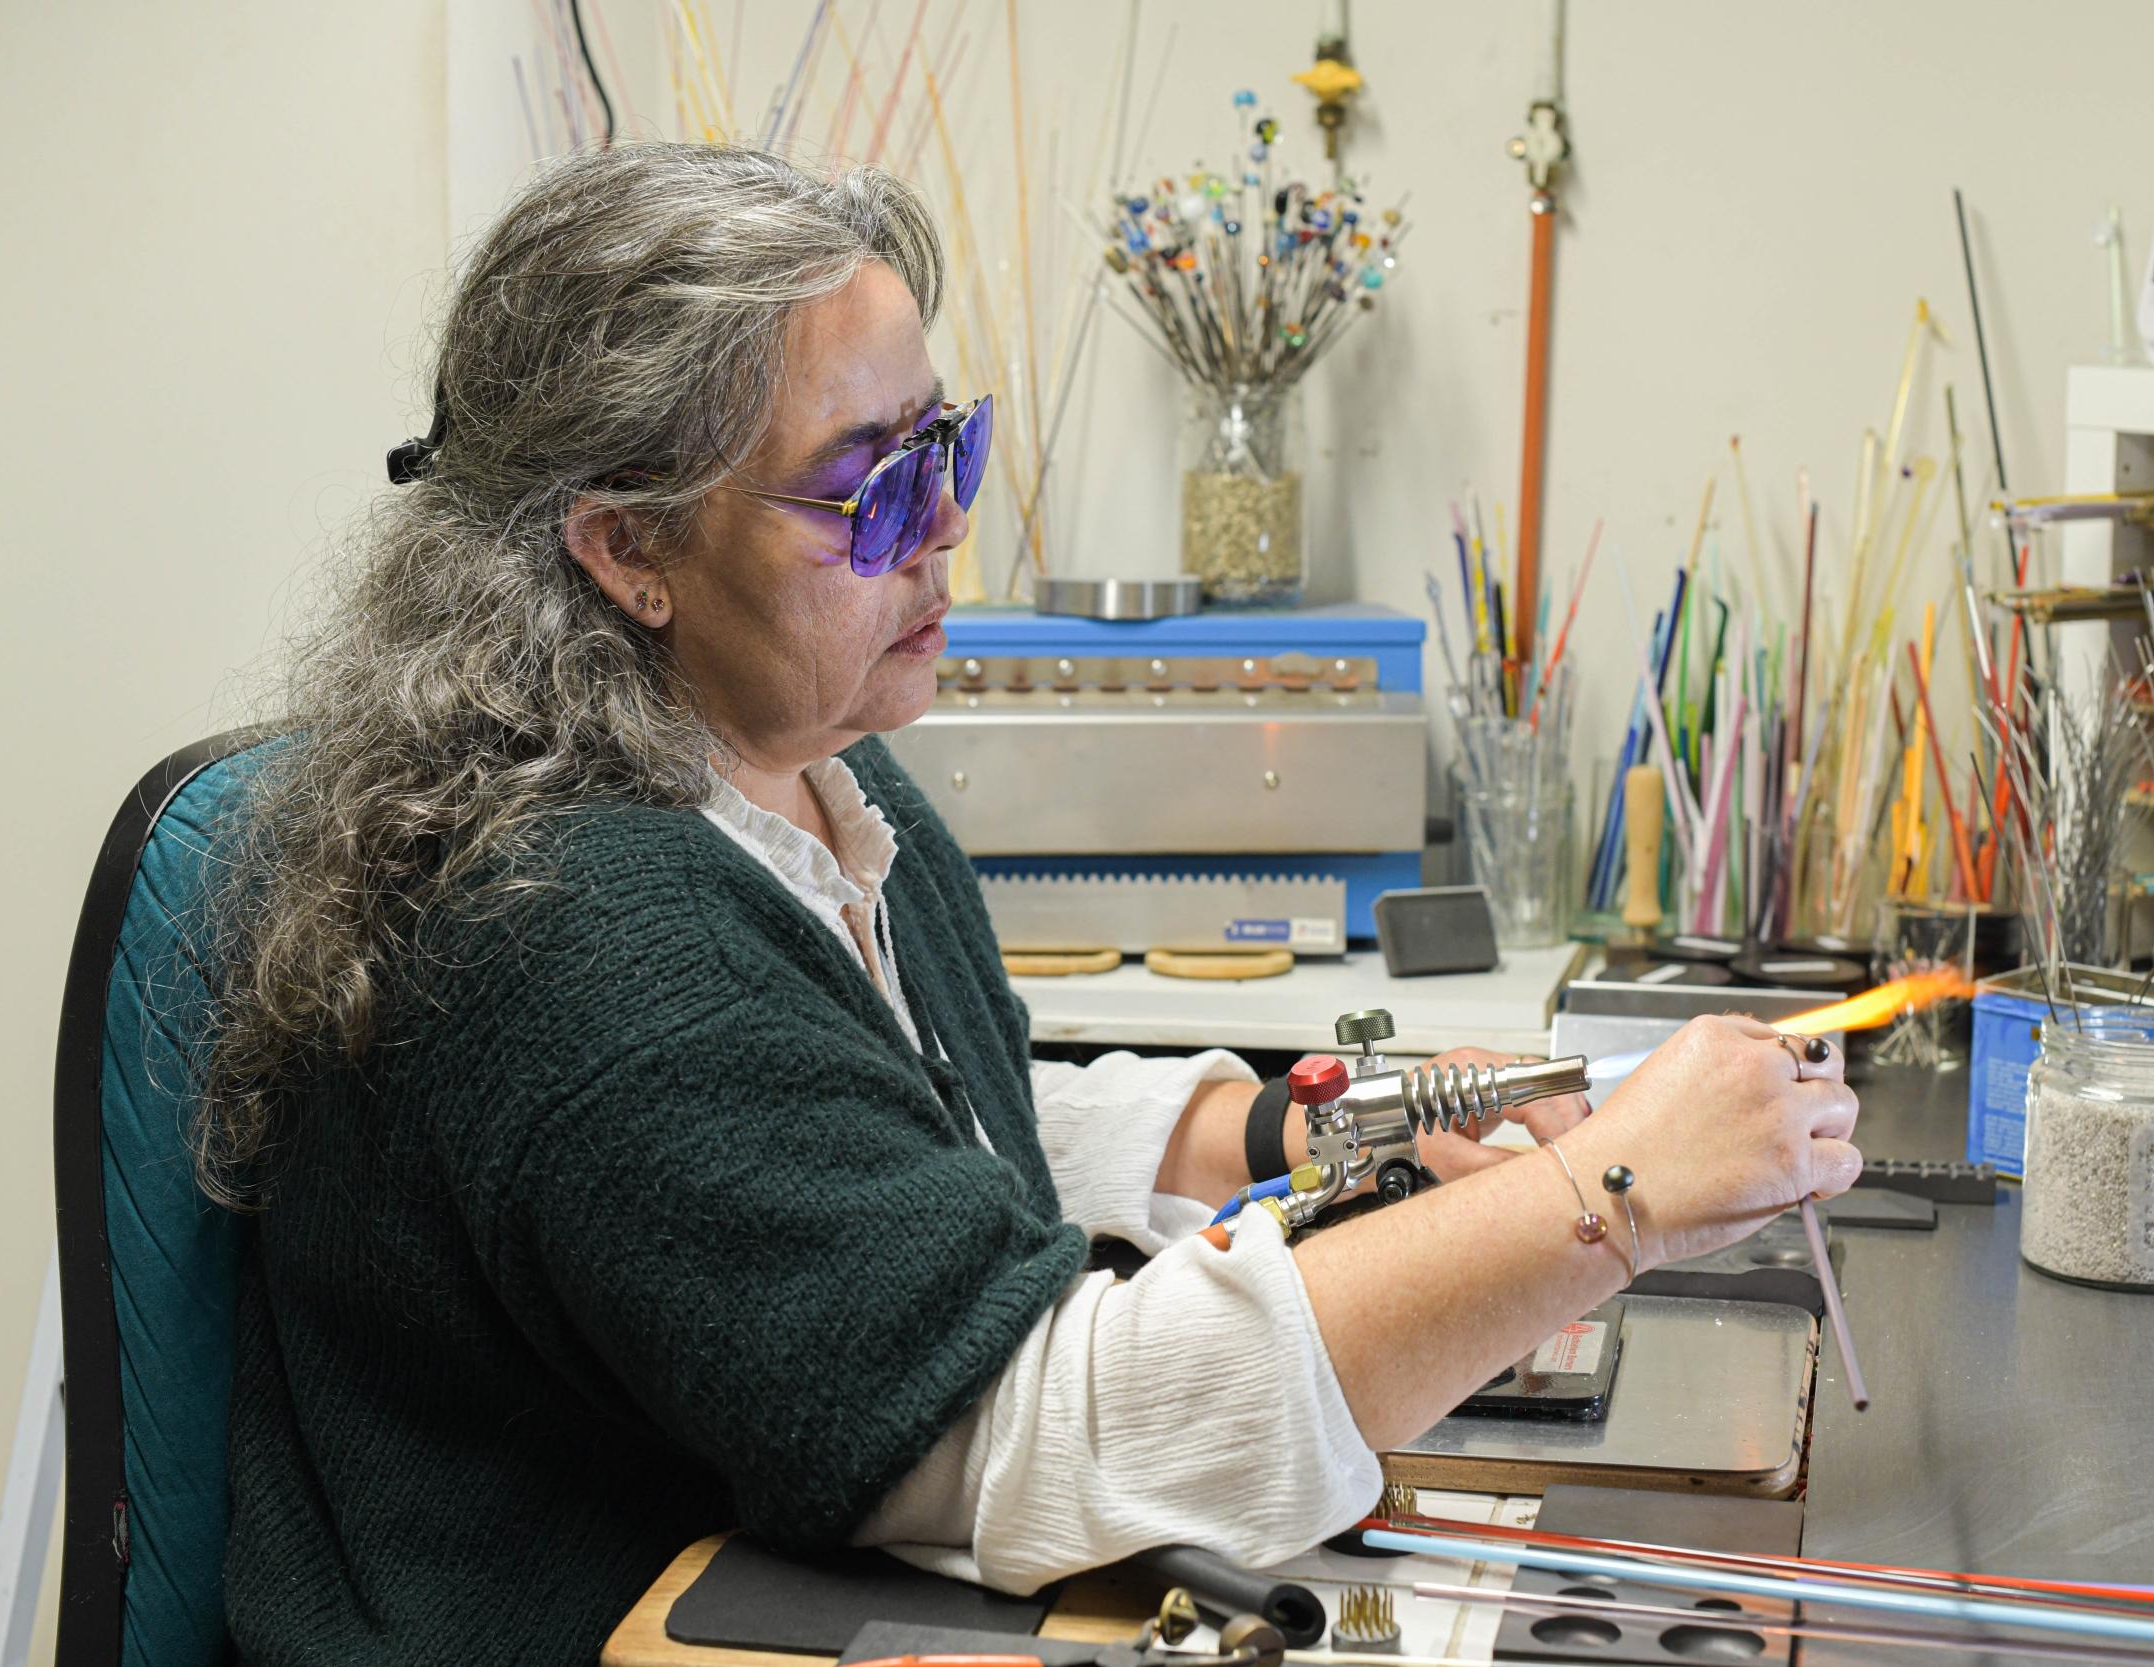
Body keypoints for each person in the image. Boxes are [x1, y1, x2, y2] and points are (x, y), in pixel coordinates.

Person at [202, 143, 1859, 1667]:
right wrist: (1612, 1195)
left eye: (948, 451)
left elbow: (905, 1141)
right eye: (873, 491)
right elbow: (1045, 1441)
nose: (949, 534)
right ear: (631, 547)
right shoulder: (582, 934)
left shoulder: (803, 778)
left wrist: (1284, 1136)